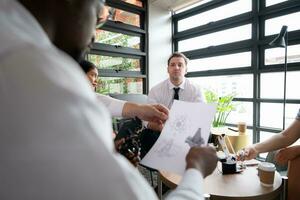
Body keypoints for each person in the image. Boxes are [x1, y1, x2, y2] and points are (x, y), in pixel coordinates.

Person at [0, 0, 218, 200]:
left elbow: (95, 100)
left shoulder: (17, 50)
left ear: (186, 69)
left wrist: (137, 109)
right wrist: (196, 171)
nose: (95, 34)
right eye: (100, 14)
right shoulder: (36, 70)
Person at [139, 52, 205, 158]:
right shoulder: (156, 90)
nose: (176, 67)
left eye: (180, 65)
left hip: (187, 130)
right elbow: (146, 119)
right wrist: (162, 129)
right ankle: (157, 170)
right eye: (172, 65)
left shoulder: (196, 90)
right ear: (168, 69)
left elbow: (201, 115)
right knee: (147, 135)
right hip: (162, 130)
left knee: (204, 134)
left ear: (186, 69)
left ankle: (191, 166)